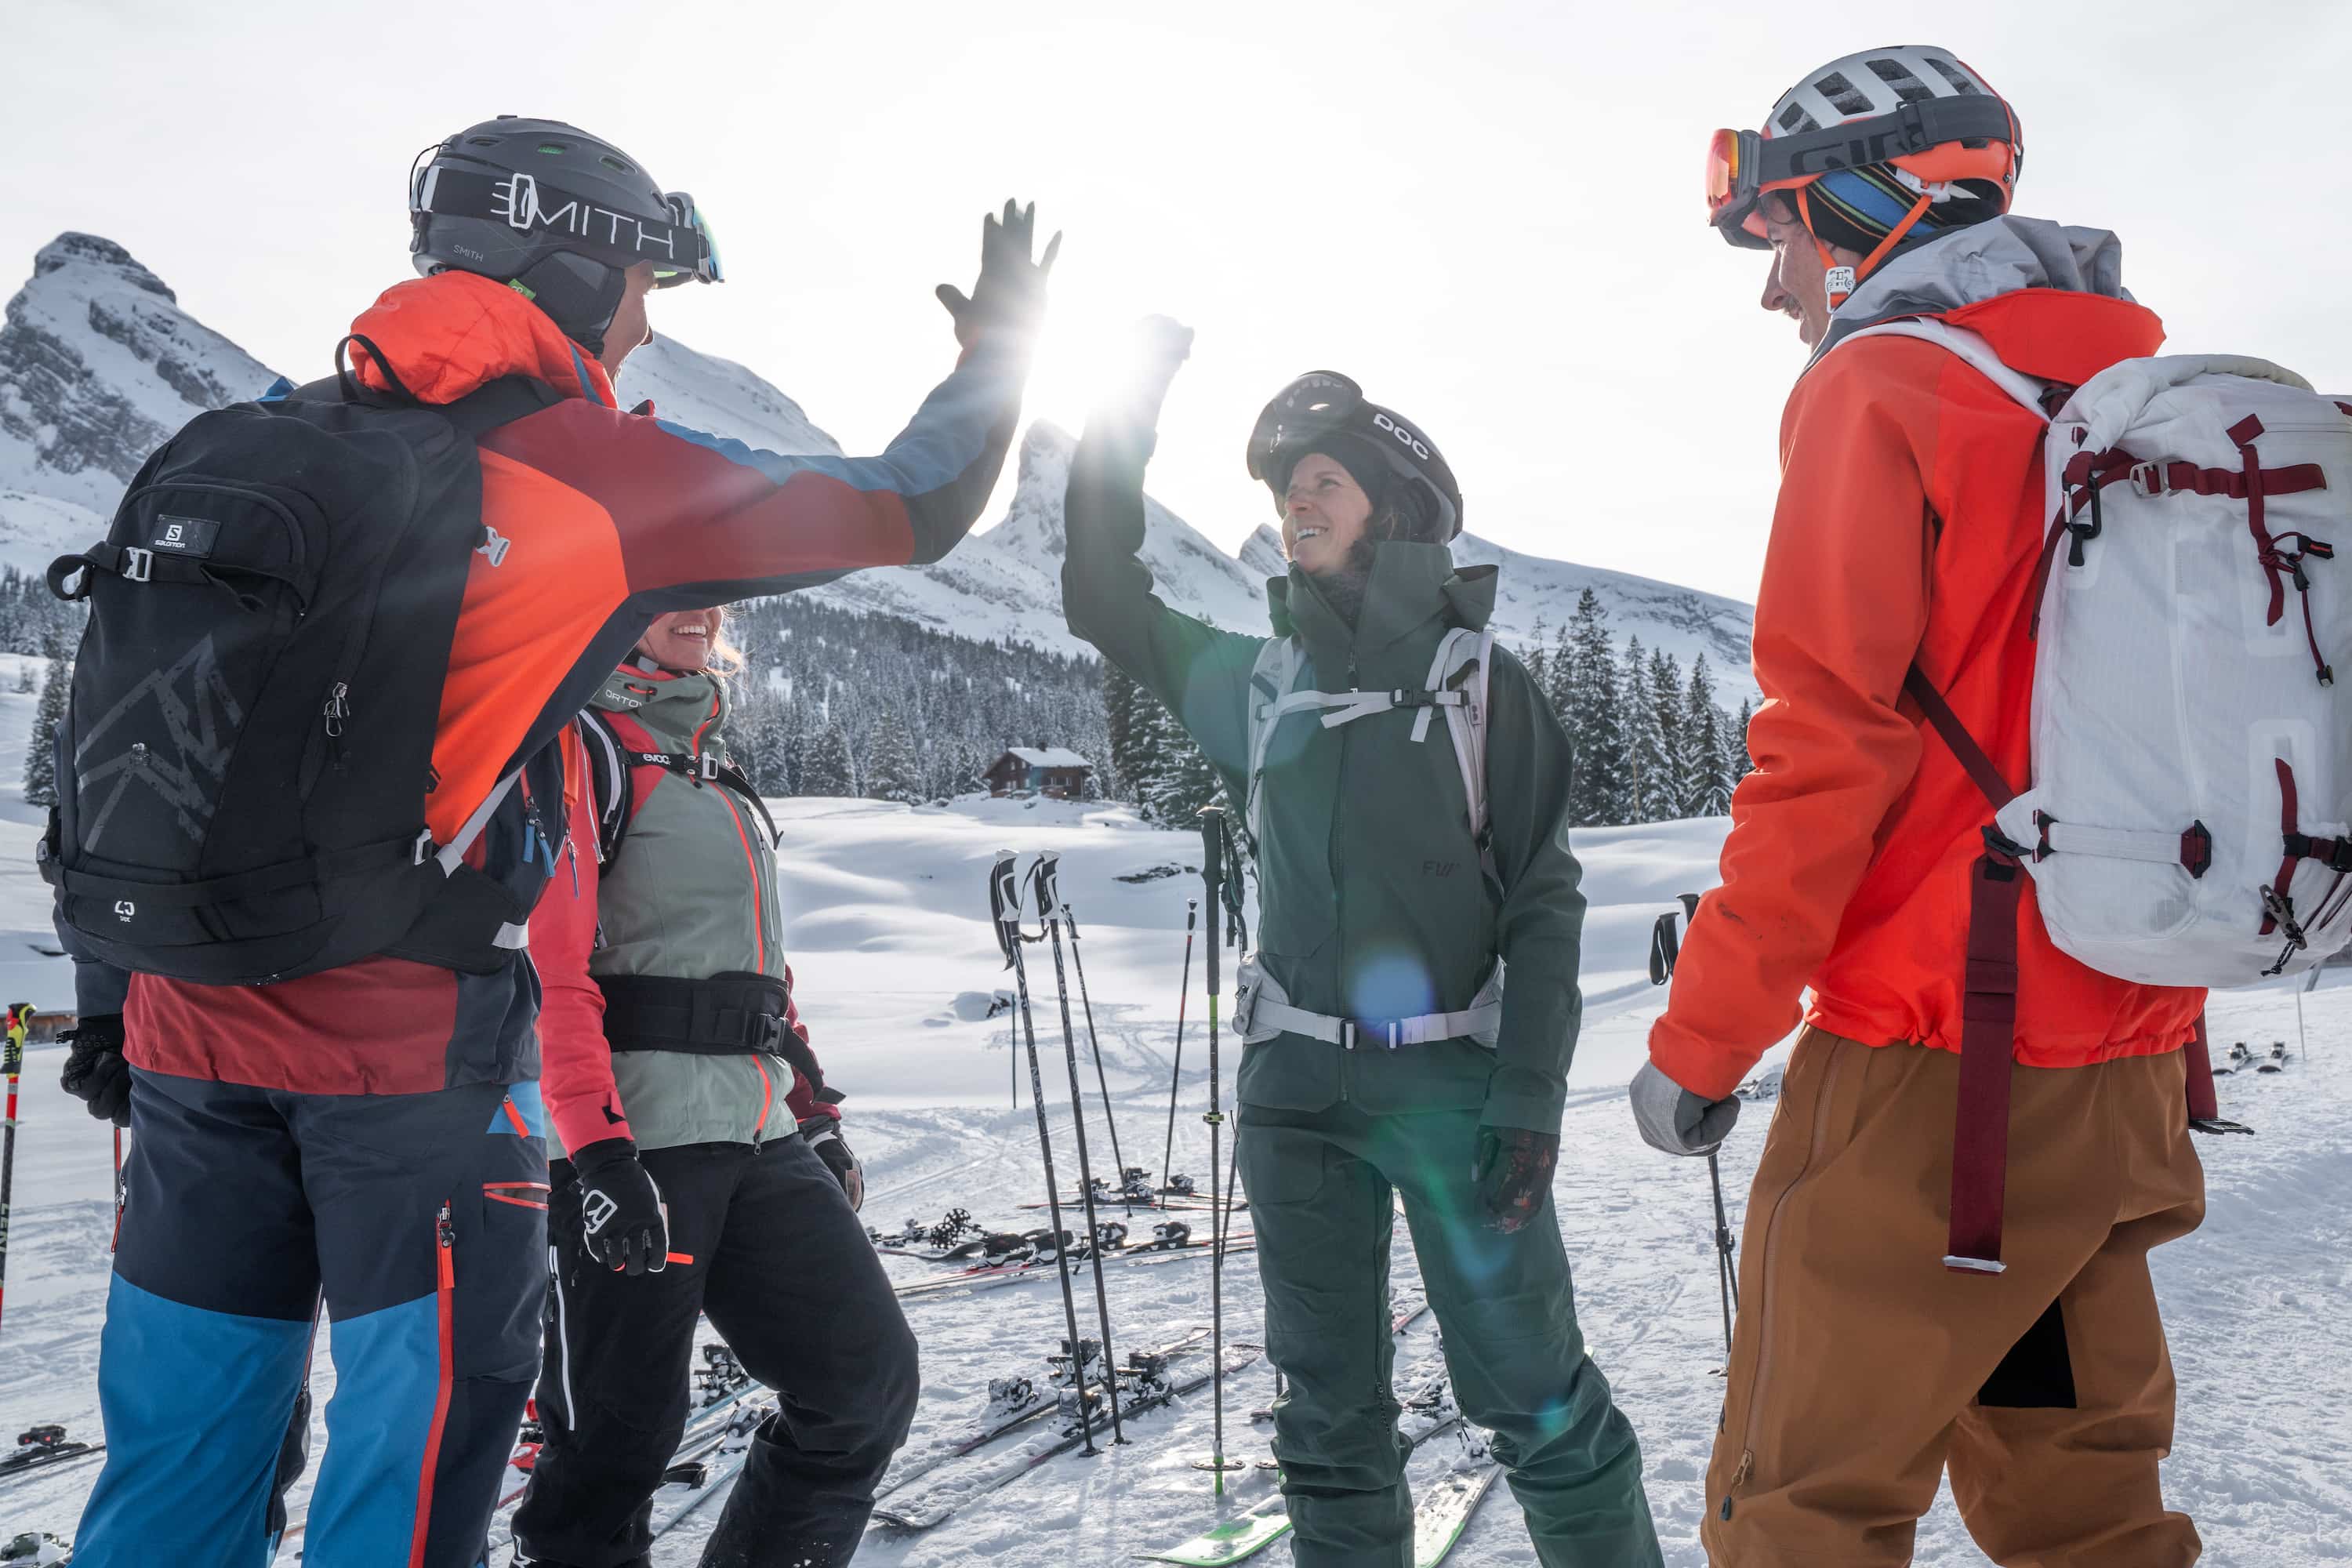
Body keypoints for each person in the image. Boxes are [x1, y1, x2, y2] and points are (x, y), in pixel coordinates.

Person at [56, 114, 1052, 1567]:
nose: (647, 328)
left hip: (184, 1038)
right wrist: (1001, 359)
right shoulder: (580, 472)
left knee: (176, 1473)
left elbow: (136, 731)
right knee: (408, 1489)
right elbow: (911, 508)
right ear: (577, 270)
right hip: (412, 1074)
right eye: (644, 285)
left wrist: (108, 1004)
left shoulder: (253, 433)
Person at [1636, 46, 2207, 1565]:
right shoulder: (2137, 394)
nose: (1779, 291)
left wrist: (1705, 1038)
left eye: (1788, 240)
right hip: (2127, 1066)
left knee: (1798, 1506)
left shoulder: (1885, 388)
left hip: (1933, 1092)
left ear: (1870, 209)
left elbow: (1823, 752)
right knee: (2083, 1509)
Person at [1062, 326, 1662, 1567]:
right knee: (1327, 1422)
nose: (1298, 504)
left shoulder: (1481, 686)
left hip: (1456, 1094)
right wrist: (1127, 401)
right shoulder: (1259, 681)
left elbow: (1546, 905)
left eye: (1326, 481)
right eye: (1289, 489)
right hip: (1294, 1100)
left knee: (1533, 1400)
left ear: (1391, 510)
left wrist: (1531, 1102)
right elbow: (1100, 595)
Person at [512, 605, 913, 1568]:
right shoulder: (580, 746)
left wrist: (810, 1109)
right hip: (635, 1137)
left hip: (758, 1127)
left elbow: (758, 969)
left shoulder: (710, 761)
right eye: (672, 588)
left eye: (713, 591)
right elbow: (549, 970)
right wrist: (597, 1151)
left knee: (863, 1384)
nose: (700, 609)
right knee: (615, 1441)